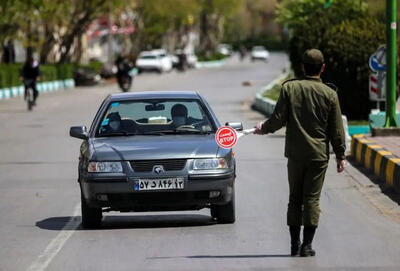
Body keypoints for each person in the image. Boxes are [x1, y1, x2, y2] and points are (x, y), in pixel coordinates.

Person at [254, 49, 346, 257]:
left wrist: (263, 128)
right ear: (322, 68)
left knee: (294, 198)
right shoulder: (330, 94)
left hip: (295, 155)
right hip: (318, 156)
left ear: (303, 66)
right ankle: (307, 245)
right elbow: (337, 130)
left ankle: (294, 244)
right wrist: (340, 156)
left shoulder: (290, 89)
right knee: (311, 199)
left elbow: (277, 119)